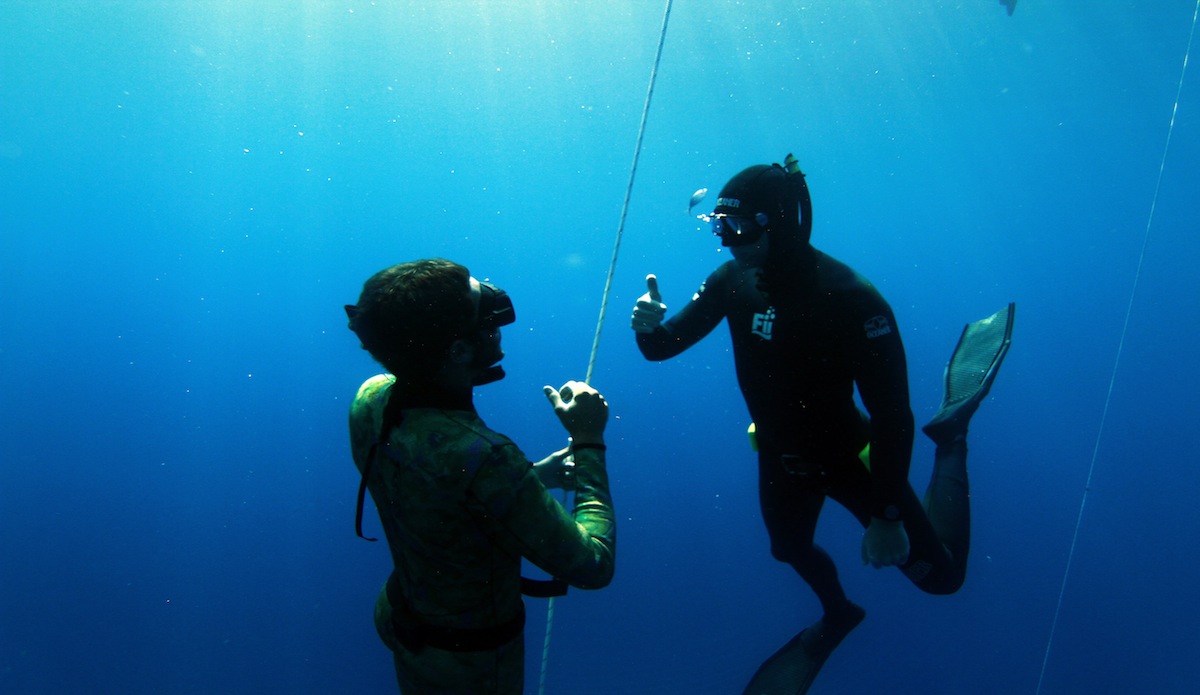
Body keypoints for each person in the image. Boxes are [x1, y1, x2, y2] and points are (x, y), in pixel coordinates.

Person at [631, 156, 1012, 693]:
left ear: (776, 224)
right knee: (787, 548)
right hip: (781, 455)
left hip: (852, 458)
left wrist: (886, 516)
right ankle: (839, 612)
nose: (727, 240)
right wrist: (646, 328)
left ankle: (951, 438)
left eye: (737, 227)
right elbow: (661, 348)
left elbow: (892, 416)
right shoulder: (733, 279)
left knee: (942, 580)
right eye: (719, 225)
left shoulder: (851, 299)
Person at [346, 258, 616, 694]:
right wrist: (588, 440)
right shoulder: (487, 459)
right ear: (458, 351)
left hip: (404, 619)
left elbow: (432, 487)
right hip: (471, 665)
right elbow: (594, 565)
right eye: (483, 313)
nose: (496, 313)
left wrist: (529, 479)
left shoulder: (371, 398)